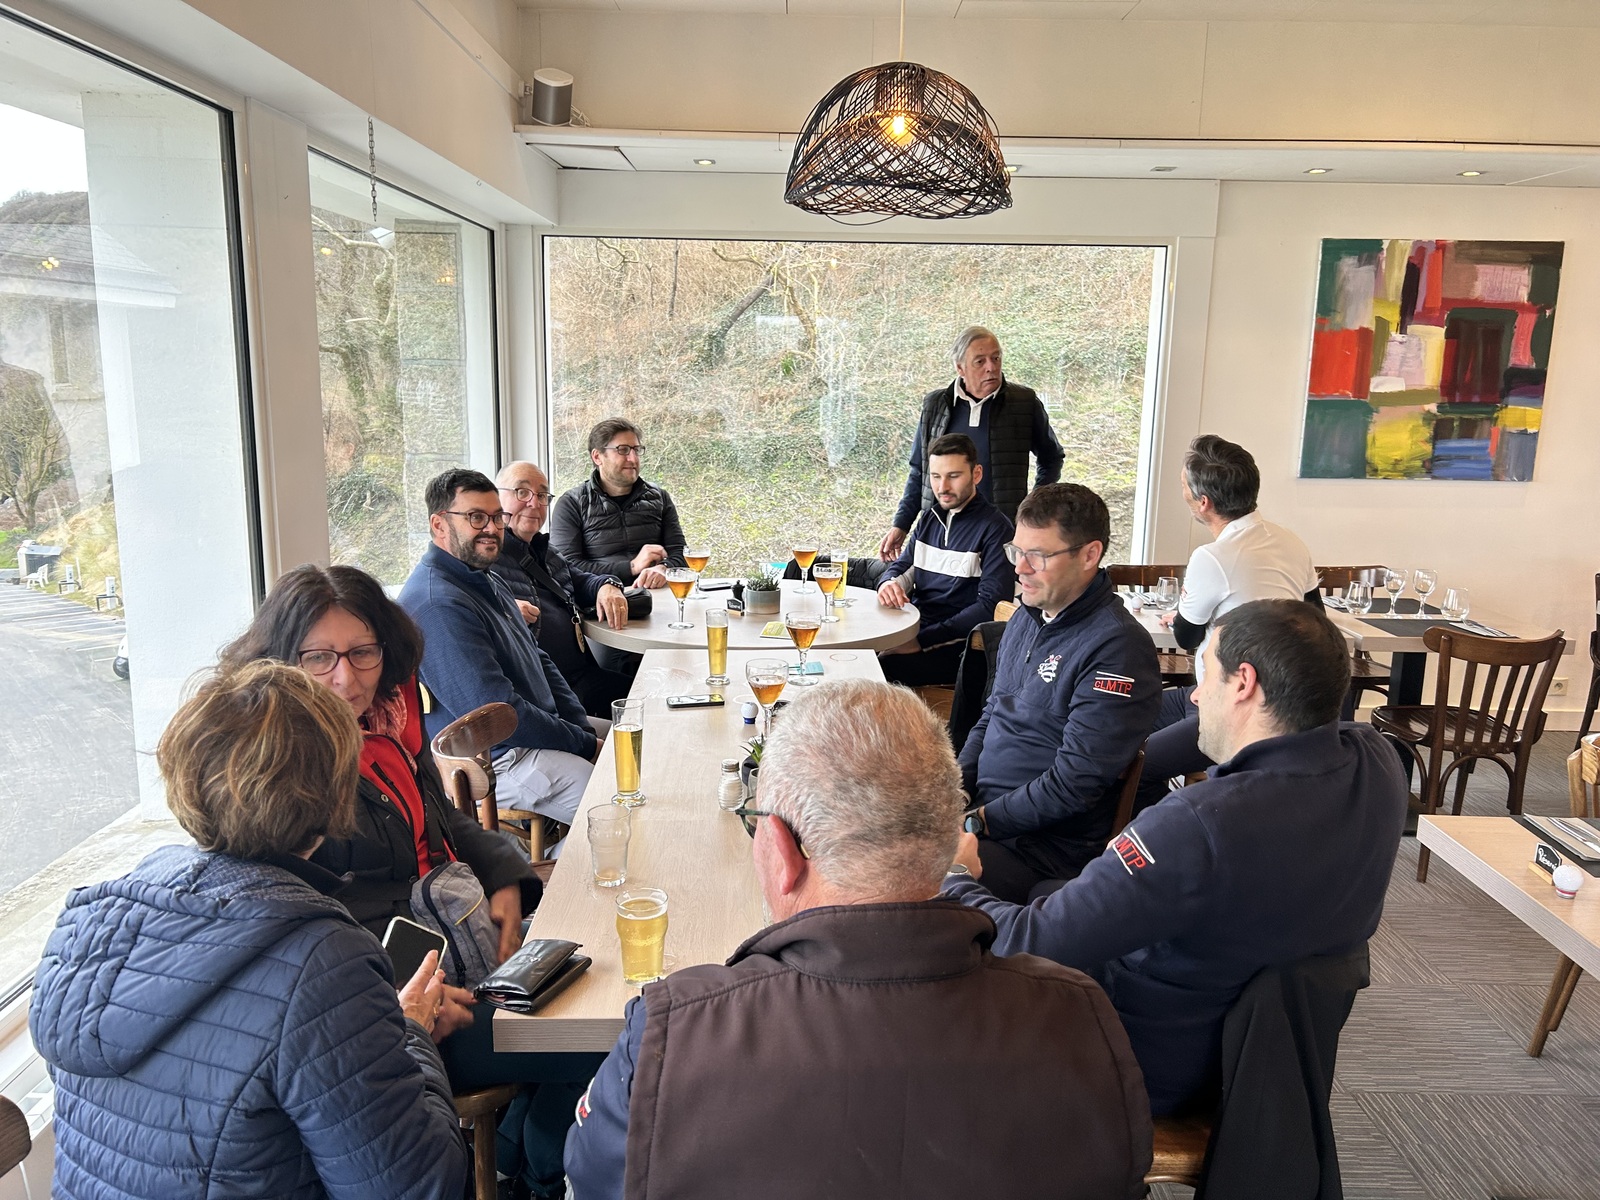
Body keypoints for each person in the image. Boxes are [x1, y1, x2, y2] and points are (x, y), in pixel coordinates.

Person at [564, 679, 1153, 1200]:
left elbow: (590, 1183)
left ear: (783, 851)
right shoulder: (1084, 1018)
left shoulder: (670, 1036)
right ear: (952, 846)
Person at [946, 599, 1408, 1116]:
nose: (1195, 694)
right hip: (1261, 1042)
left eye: (1205, 673)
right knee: (1046, 890)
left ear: (1244, 683)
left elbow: (1029, 940)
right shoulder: (1377, 759)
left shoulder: (1196, 825)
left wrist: (956, 873)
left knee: (952, 981)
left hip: (1151, 1061)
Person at [31, 661, 468, 1200]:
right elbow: (419, 1187)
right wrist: (410, 1031)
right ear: (336, 798)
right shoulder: (324, 962)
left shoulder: (85, 924)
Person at [218, 562, 546, 1071]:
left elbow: (438, 815)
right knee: (587, 1039)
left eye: (363, 653)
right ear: (281, 662)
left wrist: (504, 877)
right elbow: (296, 922)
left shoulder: (387, 721)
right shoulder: (277, 772)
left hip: (454, 939)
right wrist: (403, 997)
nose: (346, 678)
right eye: (319, 658)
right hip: (386, 1010)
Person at [957, 482, 1161, 904]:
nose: (1020, 568)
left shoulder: (1118, 648)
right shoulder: (1028, 616)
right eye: (1016, 551)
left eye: (1038, 556)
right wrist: (955, 788)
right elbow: (992, 713)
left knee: (899, 885)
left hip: (1040, 850)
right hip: (985, 816)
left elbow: (1073, 784)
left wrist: (977, 822)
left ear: (1089, 555)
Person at [400, 468, 603, 841]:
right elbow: (500, 715)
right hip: (498, 759)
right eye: (476, 517)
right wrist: (584, 744)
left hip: (534, 733)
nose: (492, 529)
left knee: (636, 747)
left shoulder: (483, 576)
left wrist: (582, 731)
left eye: (497, 517)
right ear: (439, 524)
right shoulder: (437, 605)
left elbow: (538, 658)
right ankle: (551, 874)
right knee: (616, 804)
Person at [1136, 434, 1322, 812]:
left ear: (1203, 503)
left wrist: (1188, 615)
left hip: (1232, 709)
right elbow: (1315, 617)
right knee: (1124, 709)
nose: (1183, 493)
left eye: (1183, 486)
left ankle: (1173, 832)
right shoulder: (1291, 541)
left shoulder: (1214, 556)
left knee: (1134, 765)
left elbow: (1186, 636)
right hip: (1282, 702)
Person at [878, 326, 1064, 562]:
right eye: (980, 361)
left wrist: (1032, 507)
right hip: (942, 534)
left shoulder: (1023, 403)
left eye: (996, 358)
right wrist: (901, 524)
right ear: (960, 368)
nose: (991, 367)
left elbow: (1051, 458)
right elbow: (920, 471)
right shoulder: (935, 405)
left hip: (1001, 534)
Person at [491, 459, 635, 717]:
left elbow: (583, 580)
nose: (534, 503)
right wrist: (502, 610)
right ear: (496, 498)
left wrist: (608, 585)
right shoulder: (487, 559)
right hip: (546, 695)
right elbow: (466, 609)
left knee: (654, 692)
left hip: (581, 678)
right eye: (522, 492)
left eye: (542, 495)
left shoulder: (546, 551)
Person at [876, 432, 1015, 687]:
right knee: (853, 656)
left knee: (873, 671)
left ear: (976, 474)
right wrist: (888, 583)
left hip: (960, 648)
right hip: (914, 629)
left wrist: (921, 639)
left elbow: (990, 607)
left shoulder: (997, 529)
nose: (942, 488)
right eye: (936, 476)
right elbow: (903, 567)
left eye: (953, 476)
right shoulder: (930, 518)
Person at [550, 417, 687, 588]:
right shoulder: (572, 503)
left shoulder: (659, 497)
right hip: (600, 598)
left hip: (655, 595)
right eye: (623, 450)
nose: (633, 459)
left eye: (636, 450)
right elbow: (564, 567)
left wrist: (664, 568)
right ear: (597, 457)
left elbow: (681, 553)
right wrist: (631, 567)